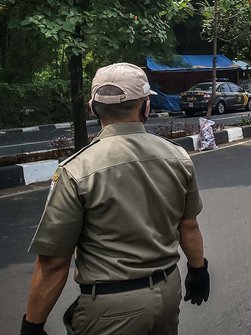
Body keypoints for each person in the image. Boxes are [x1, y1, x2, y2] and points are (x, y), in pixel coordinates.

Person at [20, 63, 210, 335]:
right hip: (168, 294)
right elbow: (189, 226)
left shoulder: (76, 170)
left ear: (93, 108)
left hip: (110, 310)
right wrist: (198, 270)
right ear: (146, 107)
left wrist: (32, 324)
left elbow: (53, 263)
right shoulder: (178, 157)